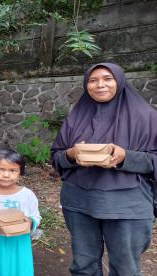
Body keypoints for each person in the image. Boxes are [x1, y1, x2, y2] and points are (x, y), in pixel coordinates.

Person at [51, 63, 157, 276]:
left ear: (119, 81)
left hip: (127, 204)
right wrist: (72, 154)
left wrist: (126, 156)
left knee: (125, 269)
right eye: (93, 80)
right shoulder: (77, 116)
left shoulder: (147, 117)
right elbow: (56, 157)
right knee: (83, 266)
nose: (100, 85)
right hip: (79, 202)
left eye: (107, 78)